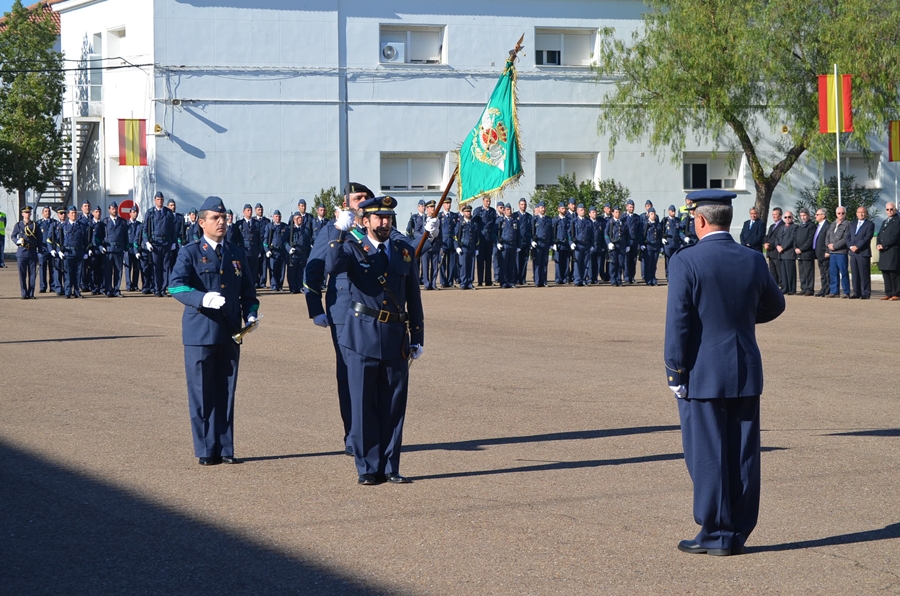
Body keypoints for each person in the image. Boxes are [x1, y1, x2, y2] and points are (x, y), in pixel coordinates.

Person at [664, 189, 784, 557]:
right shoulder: (752, 259)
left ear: (699, 220)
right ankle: (737, 531)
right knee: (744, 453)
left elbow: (679, 323)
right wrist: (744, 319)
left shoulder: (686, 260)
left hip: (702, 371)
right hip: (744, 365)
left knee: (707, 452)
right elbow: (775, 305)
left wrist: (675, 371)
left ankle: (715, 532)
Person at [326, 195, 424, 485]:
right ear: (364, 221)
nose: (384, 223)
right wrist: (338, 231)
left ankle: (391, 466)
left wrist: (417, 335)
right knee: (363, 404)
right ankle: (368, 467)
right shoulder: (354, 249)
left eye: (388, 218)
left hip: (395, 336)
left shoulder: (402, 252)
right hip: (362, 335)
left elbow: (413, 297)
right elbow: (332, 266)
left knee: (394, 406)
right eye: (378, 218)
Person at [169, 196, 260, 466]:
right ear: (201, 222)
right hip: (200, 331)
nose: (221, 222)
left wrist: (252, 312)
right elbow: (175, 286)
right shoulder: (190, 252)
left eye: (224, 218)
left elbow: (249, 292)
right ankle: (206, 450)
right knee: (201, 392)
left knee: (226, 391)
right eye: (215, 218)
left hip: (230, 332)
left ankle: (225, 448)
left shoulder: (236, 253)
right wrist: (202, 298)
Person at [144, 191, 178, 297]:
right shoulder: (150, 212)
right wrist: (147, 242)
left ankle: (163, 288)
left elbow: (173, 229)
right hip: (155, 243)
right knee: (156, 267)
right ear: (155, 200)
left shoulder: (168, 212)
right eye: (158, 199)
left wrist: (173, 242)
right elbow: (145, 229)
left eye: (162, 199)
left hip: (166, 243)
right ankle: (156, 288)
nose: (160, 201)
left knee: (166, 267)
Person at [11, 205, 42, 299]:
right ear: (22, 214)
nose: (28, 214)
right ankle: (24, 294)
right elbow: (13, 236)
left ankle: (31, 293)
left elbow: (40, 239)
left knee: (32, 274)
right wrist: (17, 241)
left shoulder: (35, 225)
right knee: (22, 274)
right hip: (22, 252)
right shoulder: (18, 225)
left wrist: (40, 251)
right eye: (26, 212)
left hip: (32, 251)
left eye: (29, 212)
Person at [61, 206, 89, 298]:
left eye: (75, 213)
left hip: (78, 252)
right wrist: (59, 251)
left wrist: (86, 252)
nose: (74, 215)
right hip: (68, 252)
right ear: (68, 214)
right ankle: (68, 292)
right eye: (72, 213)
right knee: (68, 273)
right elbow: (59, 240)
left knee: (78, 273)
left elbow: (85, 240)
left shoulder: (81, 226)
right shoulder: (64, 226)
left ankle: (77, 291)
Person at [847, 206, 874, 299]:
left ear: (866, 213)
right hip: (853, 253)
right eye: (859, 212)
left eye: (863, 212)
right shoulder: (852, 224)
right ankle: (856, 292)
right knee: (855, 273)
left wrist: (857, 246)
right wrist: (851, 246)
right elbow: (848, 237)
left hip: (863, 252)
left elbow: (867, 238)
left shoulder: (870, 224)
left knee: (864, 274)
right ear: (856, 213)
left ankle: (865, 292)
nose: (861, 214)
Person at [102, 201, 128, 297]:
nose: (114, 210)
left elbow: (126, 237)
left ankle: (117, 289)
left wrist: (126, 249)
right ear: (109, 210)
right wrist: (102, 247)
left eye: (116, 208)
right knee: (108, 271)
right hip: (108, 250)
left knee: (118, 271)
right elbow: (100, 236)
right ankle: (108, 290)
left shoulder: (123, 222)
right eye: (112, 209)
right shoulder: (104, 222)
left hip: (119, 250)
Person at [825, 206, 850, 298]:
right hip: (832, 253)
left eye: (842, 213)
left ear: (845, 214)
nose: (841, 215)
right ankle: (834, 291)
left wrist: (835, 246)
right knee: (833, 272)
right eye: (839, 213)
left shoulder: (847, 224)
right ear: (836, 214)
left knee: (843, 272)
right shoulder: (833, 224)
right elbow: (827, 236)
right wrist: (828, 245)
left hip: (841, 252)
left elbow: (845, 238)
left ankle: (846, 292)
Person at [877, 202, 900, 300]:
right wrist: (878, 244)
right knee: (885, 272)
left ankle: (896, 293)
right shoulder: (885, 221)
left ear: (895, 209)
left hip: (892, 250)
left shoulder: (898, 220)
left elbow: (895, 235)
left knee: (893, 273)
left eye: (891, 209)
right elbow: (879, 234)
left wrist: (884, 245)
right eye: (887, 209)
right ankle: (888, 292)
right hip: (883, 251)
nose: (889, 211)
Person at [472, 196, 497, 286]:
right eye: (487, 201)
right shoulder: (478, 211)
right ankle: (480, 281)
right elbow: (475, 224)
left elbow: (495, 224)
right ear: (483, 201)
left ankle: (488, 280)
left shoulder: (493, 211)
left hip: (489, 239)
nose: (488, 203)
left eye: (489, 201)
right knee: (480, 261)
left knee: (488, 261)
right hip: (481, 239)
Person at [286, 211, 313, 294]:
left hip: (303, 254)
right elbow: (284, 241)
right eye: (298, 218)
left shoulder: (305, 229)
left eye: (301, 217)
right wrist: (289, 248)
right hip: (293, 254)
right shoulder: (290, 230)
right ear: (294, 219)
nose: (300, 219)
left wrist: (309, 253)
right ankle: (293, 288)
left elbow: (308, 242)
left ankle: (300, 286)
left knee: (301, 272)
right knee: (292, 272)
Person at [237, 204, 262, 285]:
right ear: (243, 212)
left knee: (253, 271)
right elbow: (237, 238)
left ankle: (252, 288)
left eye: (250, 210)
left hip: (254, 251)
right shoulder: (239, 224)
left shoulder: (256, 223)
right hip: (244, 251)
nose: (250, 212)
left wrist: (259, 250)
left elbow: (259, 238)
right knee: (244, 271)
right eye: (248, 210)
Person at [454, 203, 478, 289]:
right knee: (463, 265)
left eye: (469, 211)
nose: (468, 213)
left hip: (472, 247)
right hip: (463, 246)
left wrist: (477, 248)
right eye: (467, 211)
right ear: (463, 213)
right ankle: (463, 282)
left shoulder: (474, 224)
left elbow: (476, 237)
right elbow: (455, 236)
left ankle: (470, 282)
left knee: (471, 266)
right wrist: (457, 247)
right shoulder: (460, 223)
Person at [794, 208, 817, 296]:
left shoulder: (811, 226)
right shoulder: (800, 227)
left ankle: (809, 289)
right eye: (801, 216)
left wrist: (801, 249)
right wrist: (795, 247)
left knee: (808, 272)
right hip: (799, 253)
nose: (803, 217)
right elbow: (795, 238)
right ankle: (803, 288)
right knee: (802, 272)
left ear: (808, 215)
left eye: (804, 215)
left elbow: (810, 240)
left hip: (807, 253)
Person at [496, 202, 519, 288]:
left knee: (512, 264)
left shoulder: (515, 221)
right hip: (504, 245)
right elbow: (495, 233)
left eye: (510, 209)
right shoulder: (500, 221)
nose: (509, 211)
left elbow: (518, 234)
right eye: (507, 210)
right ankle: (504, 282)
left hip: (513, 245)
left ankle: (511, 282)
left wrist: (518, 245)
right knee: (503, 264)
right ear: (504, 211)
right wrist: (498, 242)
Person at [605, 205, 628, 286]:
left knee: (620, 263)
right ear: (613, 213)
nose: (617, 214)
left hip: (621, 245)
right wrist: (609, 243)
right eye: (616, 212)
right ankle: (613, 280)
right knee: (613, 263)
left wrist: (627, 245)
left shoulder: (623, 223)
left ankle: (619, 279)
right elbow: (606, 234)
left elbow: (626, 235)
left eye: (619, 212)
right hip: (613, 245)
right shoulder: (610, 222)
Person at [775, 211, 797, 295]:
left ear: (792, 218)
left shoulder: (794, 227)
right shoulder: (781, 227)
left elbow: (792, 239)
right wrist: (777, 246)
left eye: (789, 217)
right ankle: (785, 288)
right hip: (781, 253)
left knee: (790, 273)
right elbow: (777, 238)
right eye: (785, 217)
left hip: (789, 252)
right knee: (783, 273)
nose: (787, 219)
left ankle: (792, 289)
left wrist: (783, 247)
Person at [438, 200, 459, 288]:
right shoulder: (439, 216)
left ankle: (450, 281)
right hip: (443, 241)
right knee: (442, 262)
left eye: (449, 203)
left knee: (452, 263)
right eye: (446, 203)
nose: (448, 205)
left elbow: (457, 228)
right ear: (443, 205)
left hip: (451, 240)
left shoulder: (454, 215)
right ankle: (443, 281)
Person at [530, 201, 552, 287]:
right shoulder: (534, 219)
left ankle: (544, 281)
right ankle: (537, 281)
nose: (543, 209)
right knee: (537, 263)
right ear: (538, 209)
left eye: (544, 207)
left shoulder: (548, 219)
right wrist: (532, 241)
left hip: (545, 243)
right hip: (538, 244)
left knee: (544, 263)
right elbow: (531, 232)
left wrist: (551, 243)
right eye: (541, 207)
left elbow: (550, 232)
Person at [571, 203, 592, 286]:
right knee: (577, 263)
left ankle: (584, 279)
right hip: (578, 245)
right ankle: (577, 280)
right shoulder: (574, 221)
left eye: (584, 210)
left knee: (586, 263)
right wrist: (571, 243)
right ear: (577, 211)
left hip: (587, 245)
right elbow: (569, 233)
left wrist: (592, 244)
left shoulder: (588, 221)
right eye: (581, 210)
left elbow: (592, 234)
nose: (583, 211)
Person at [552, 202, 572, 284]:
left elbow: (570, 232)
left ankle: (565, 278)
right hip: (558, 244)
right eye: (562, 208)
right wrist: (553, 243)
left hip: (566, 244)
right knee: (558, 262)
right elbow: (552, 232)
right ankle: (558, 279)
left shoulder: (568, 220)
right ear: (558, 209)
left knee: (566, 262)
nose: (564, 210)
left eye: (565, 208)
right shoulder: (555, 220)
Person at [641, 208, 663, 285]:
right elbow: (642, 235)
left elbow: (660, 235)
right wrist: (642, 244)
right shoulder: (645, 224)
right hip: (648, 247)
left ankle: (653, 278)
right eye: (652, 214)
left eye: (654, 214)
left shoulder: (657, 224)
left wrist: (661, 246)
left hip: (656, 246)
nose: (653, 215)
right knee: (648, 264)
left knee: (654, 264)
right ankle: (648, 279)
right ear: (648, 215)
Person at [812, 208, 831, 297]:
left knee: (826, 271)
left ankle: (827, 289)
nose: (816, 216)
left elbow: (828, 239)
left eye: (817, 214)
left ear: (823, 216)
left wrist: (827, 251)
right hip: (818, 252)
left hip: (825, 252)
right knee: (822, 272)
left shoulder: (827, 225)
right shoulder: (818, 226)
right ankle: (823, 288)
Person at [514, 198, 533, 285]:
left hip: (526, 242)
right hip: (518, 243)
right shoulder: (515, 216)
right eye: (522, 204)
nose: (523, 206)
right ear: (519, 205)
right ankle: (517, 279)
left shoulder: (529, 217)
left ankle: (523, 279)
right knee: (517, 261)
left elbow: (531, 230)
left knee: (525, 261)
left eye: (524, 204)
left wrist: (531, 241)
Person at [763, 207, 783, 290]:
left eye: (775, 214)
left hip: (776, 252)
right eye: (773, 215)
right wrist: (765, 243)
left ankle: (782, 286)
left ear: (780, 215)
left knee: (779, 270)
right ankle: (774, 286)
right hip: (770, 252)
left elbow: (778, 238)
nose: (773, 216)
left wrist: (770, 245)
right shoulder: (772, 226)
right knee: (772, 271)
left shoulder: (782, 226)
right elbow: (767, 236)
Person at [662, 205, 683, 279]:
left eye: (674, 211)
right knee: (668, 260)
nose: (674, 213)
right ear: (669, 211)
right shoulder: (665, 220)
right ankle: (668, 276)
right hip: (668, 243)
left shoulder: (677, 220)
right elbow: (661, 231)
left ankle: (675, 275)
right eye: (672, 211)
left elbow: (679, 231)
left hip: (676, 243)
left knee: (676, 260)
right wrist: (663, 238)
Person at [254, 203, 271, 288]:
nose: (260, 211)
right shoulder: (253, 221)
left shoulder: (267, 221)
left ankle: (263, 282)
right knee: (256, 264)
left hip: (264, 245)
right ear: (255, 210)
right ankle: (256, 282)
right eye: (258, 210)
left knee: (264, 265)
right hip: (256, 246)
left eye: (261, 210)